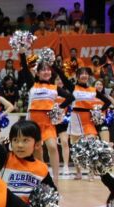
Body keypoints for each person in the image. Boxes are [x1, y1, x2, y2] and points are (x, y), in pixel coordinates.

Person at [20, 53, 74, 183]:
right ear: (37, 73)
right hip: (33, 124)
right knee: (38, 152)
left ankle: (55, 178)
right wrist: (22, 53)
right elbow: (25, 68)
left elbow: (71, 97)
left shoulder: (54, 88)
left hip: (48, 123)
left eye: (48, 69)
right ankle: (42, 176)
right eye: (43, 69)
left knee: (53, 147)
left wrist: (59, 107)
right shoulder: (32, 85)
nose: (46, 71)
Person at [56, 65, 111, 180]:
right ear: (77, 76)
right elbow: (62, 76)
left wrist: (99, 111)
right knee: (75, 148)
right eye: (82, 73)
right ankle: (78, 172)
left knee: (91, 146)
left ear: (89, 76)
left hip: (88, 120)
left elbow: (107, 102)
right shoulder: (73, 87)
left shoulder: (93, 90)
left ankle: (91, 172)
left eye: (86, 73)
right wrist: (54, 65)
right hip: (75, 119)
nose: (84, 75)